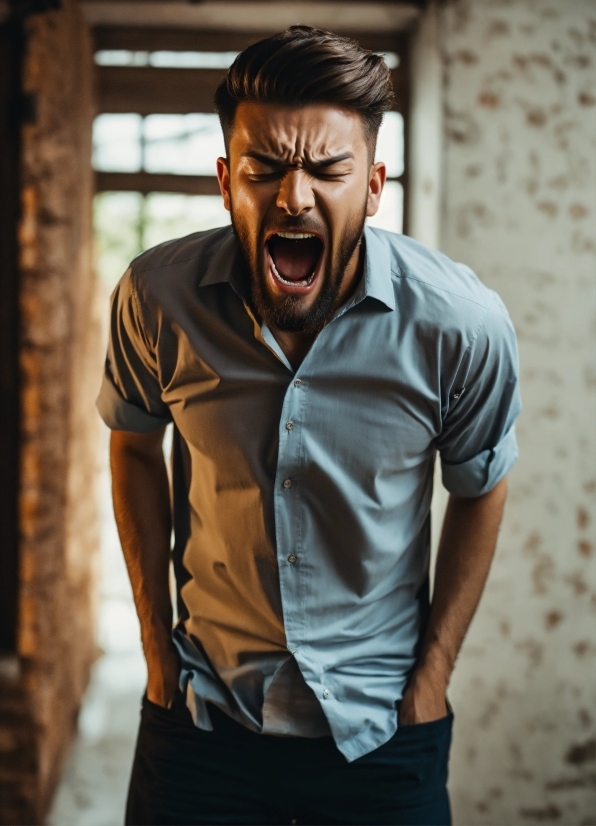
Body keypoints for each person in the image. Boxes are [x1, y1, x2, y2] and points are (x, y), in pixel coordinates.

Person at [97, 25, 521, 826]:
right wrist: (158, 653)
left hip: (383, 735)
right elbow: (132, 445)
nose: (294, 197)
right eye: (264, 169)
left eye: (329, 169)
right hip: (200, 719)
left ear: (374, 185)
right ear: (227, 182)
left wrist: (433, 677)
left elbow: (482, 485)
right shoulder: (158, 299)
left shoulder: (460, 325)